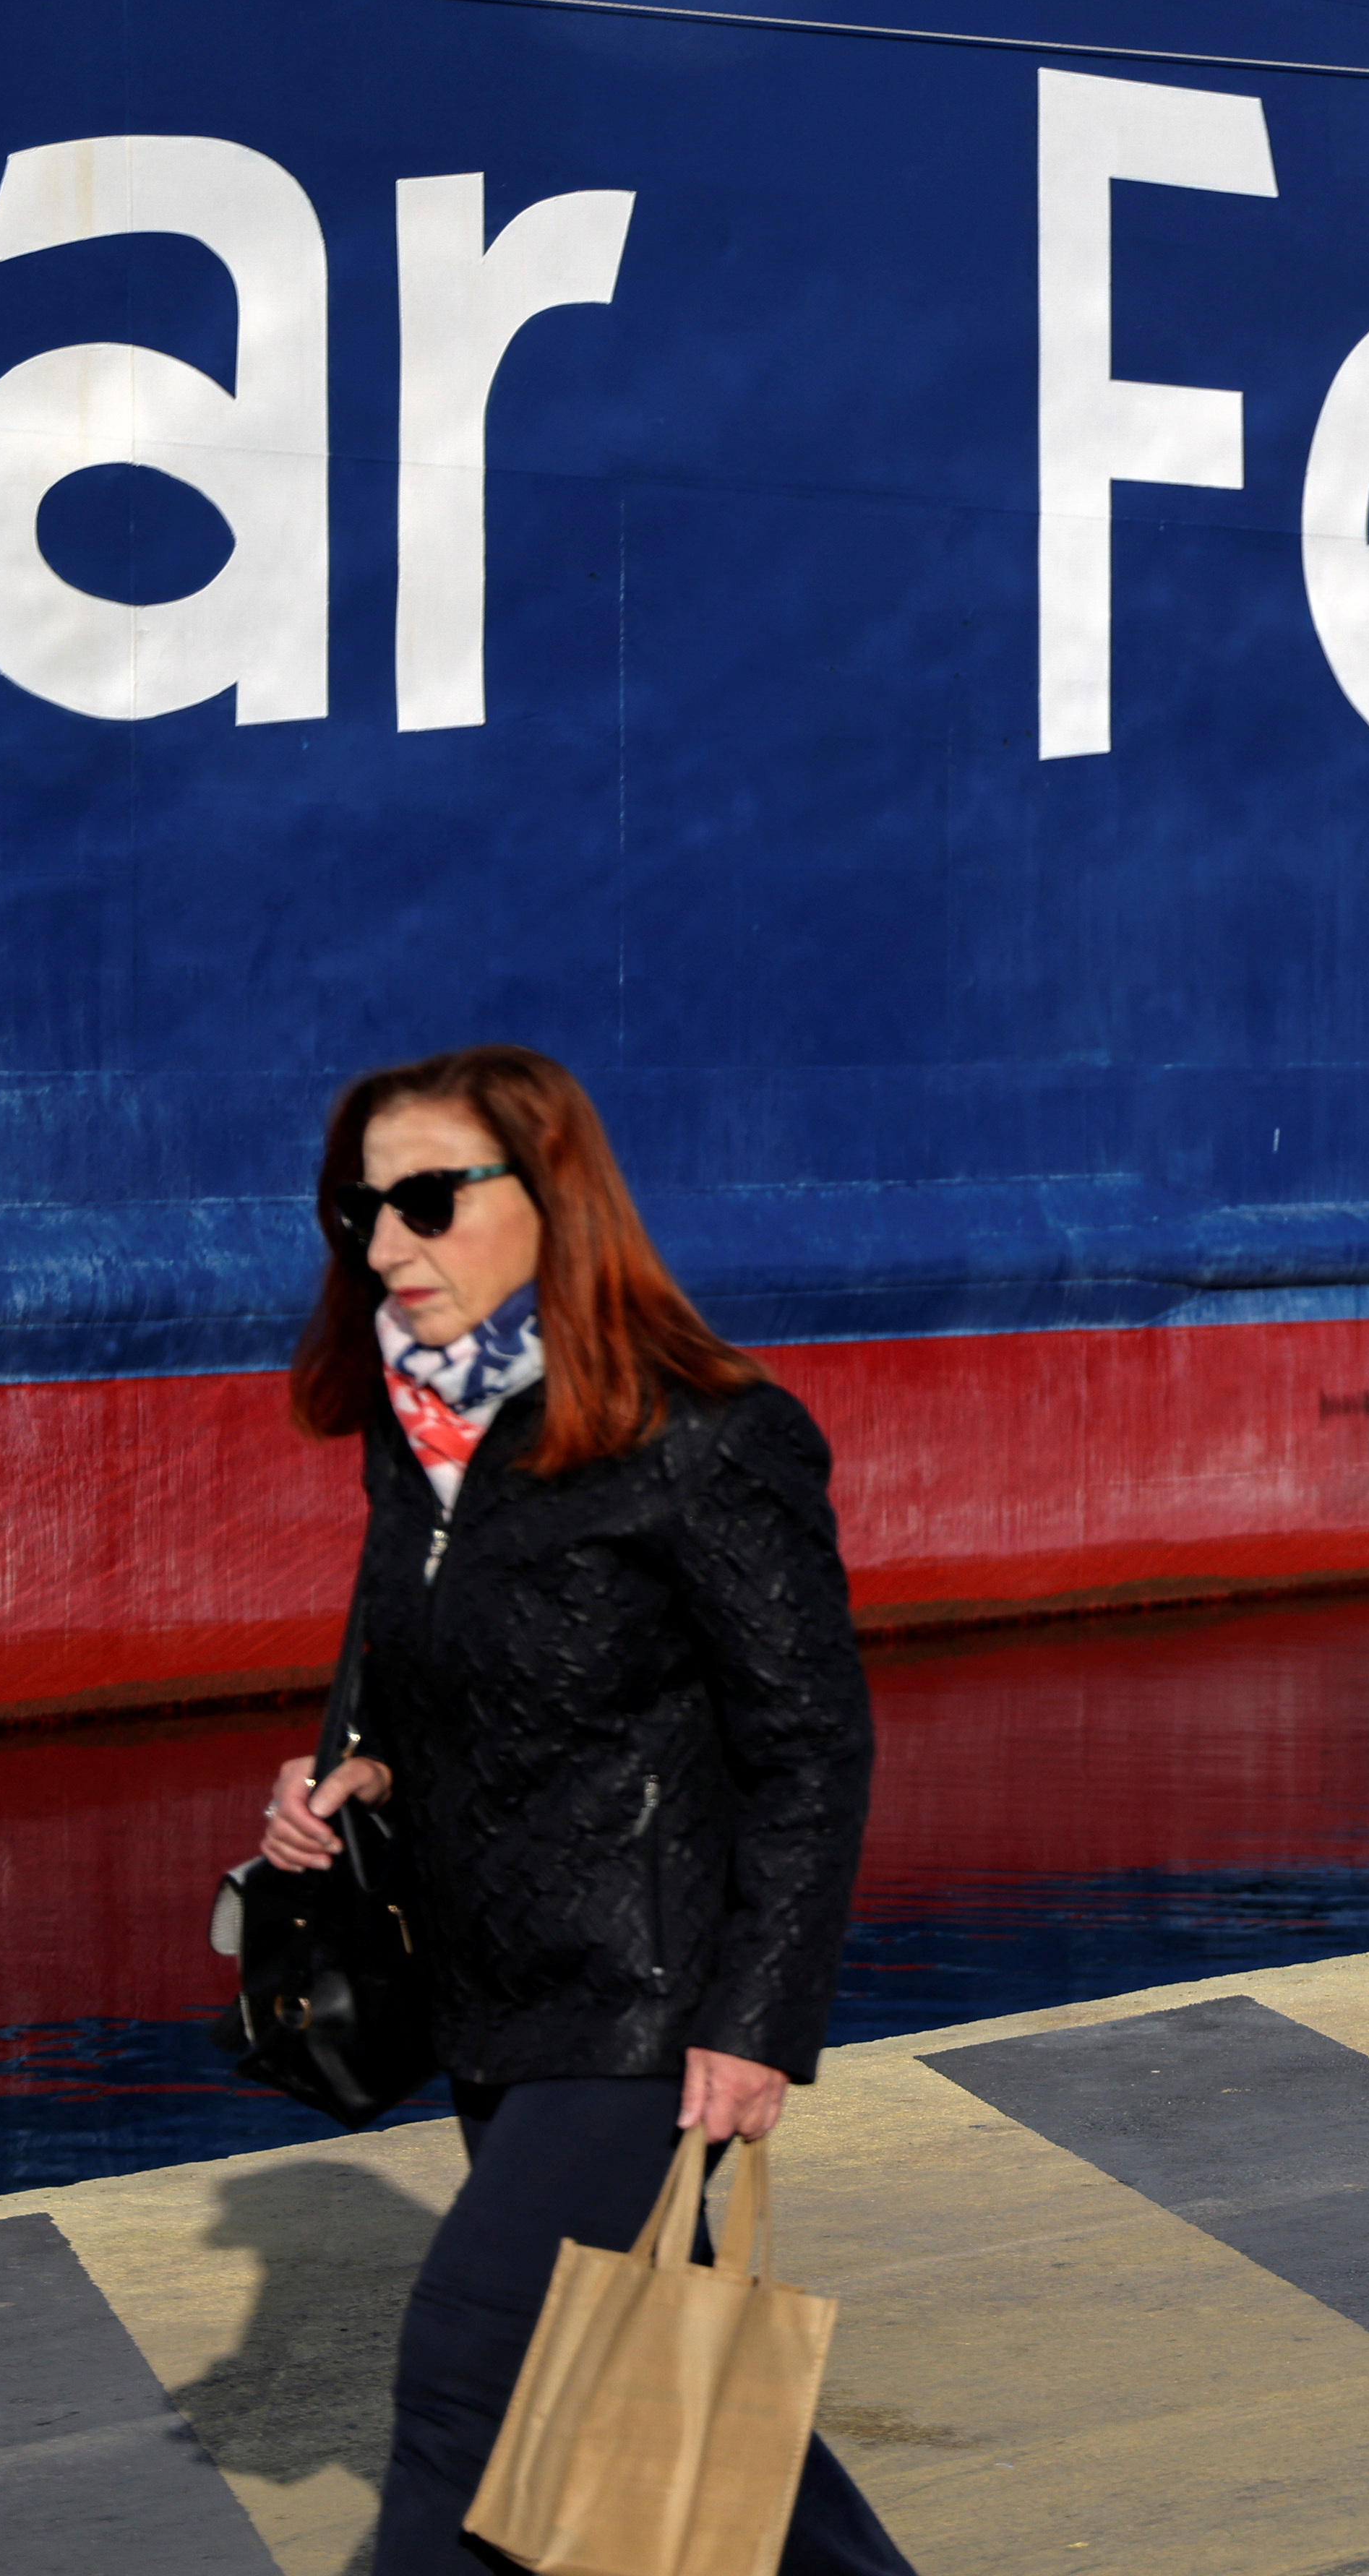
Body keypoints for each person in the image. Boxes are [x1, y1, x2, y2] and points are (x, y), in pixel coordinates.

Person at [250, 1045, 910, 2576]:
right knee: (669, 2381)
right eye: (360, 1210)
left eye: (426, 1199)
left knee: (469, 2389)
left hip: (648, 2011)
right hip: (495, 1991)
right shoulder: (416, 1428)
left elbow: (813, 1743)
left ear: (553, 1196)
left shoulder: (713, 1434)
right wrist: (345, 1761)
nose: (387, 1246)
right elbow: (395, 1636)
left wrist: (758, 2022)